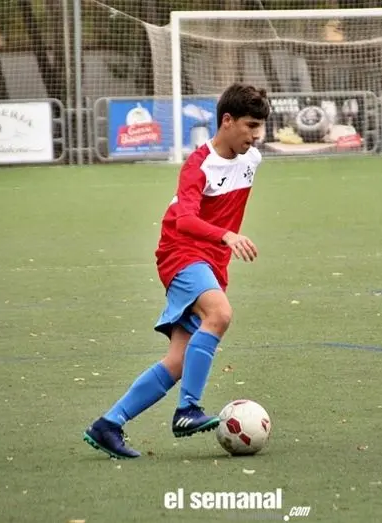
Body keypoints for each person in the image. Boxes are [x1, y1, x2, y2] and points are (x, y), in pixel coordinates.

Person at [83, 83, 270, 459]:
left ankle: (108, 424)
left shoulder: (252, 158)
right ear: (227, 120)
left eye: (260, 126)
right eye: (250, 126)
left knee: (179, 360)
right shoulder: (198, 165)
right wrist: (226, 235)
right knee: (220, 314)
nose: (256, 135)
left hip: (212, 263)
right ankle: (187, 409)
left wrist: (222, 242)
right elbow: (183, 220)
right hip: (181, 253)